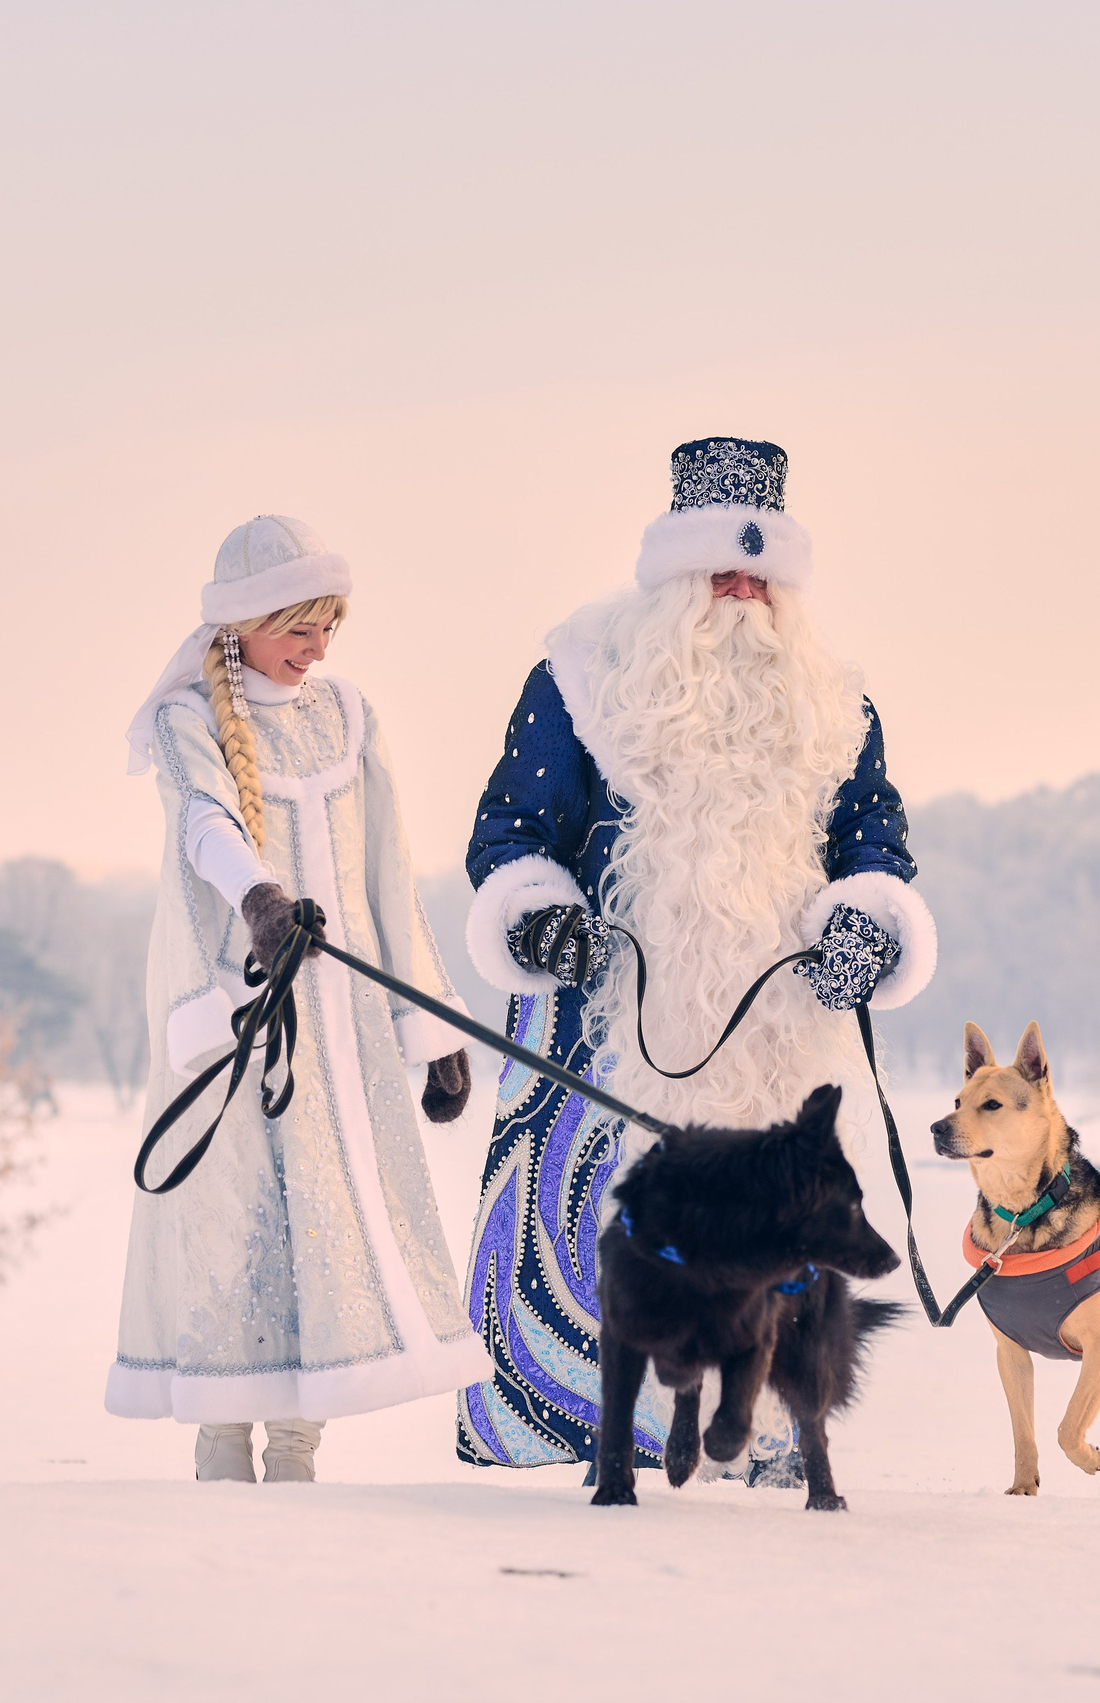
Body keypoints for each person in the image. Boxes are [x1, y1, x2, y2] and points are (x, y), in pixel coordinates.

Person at [454, 438, 936, 1481]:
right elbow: (511, 834)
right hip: (612, 1025)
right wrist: (540, 914)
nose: (742, 595)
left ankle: (770, 1439)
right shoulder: (580, 681)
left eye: (762, 578)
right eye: (721, 574)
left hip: (782, 1036)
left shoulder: (836, 702)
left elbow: (873, 840)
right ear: (672, 575)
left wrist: (866, 918)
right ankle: (597, 1449)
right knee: (610, 1236)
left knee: (787, 1228)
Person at [106, 514, 490, 1482]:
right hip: (241, 1019)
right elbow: (204, 824)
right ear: (245, 623)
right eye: (300, 628)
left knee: (332, 1222)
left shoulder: (350, 716)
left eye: (329, 628)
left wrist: (432, 1022)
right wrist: (260, 899)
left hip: (343, 1030)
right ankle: (220, 1442)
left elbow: (389, 867)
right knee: (238, 1222)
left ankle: (297, 1449)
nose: (317, 649)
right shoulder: (187, 715)